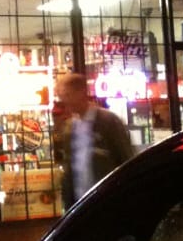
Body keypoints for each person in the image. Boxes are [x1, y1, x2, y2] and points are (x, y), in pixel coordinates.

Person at [57, 72, 133, 208]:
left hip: (107, 201)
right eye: (62, 96)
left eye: (67, 95)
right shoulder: (70, 127)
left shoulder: (108, 122)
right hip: (81, 205)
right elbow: (70, 168)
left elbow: (126, 160)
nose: (64, 101)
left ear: (81, 92)